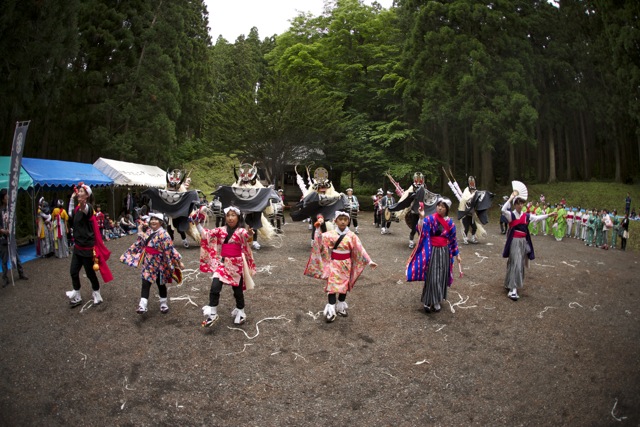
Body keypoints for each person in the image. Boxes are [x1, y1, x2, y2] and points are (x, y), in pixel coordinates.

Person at [304, 210, 377, 322]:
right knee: (332, 286)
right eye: (340, 219)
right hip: (334, 263)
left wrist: (369, 261)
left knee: (344, 286)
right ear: (336, 221)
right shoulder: (330, 234)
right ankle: (331, 310)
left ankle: (341, 307)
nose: (343, 222)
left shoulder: (352, 236)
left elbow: (360, 249)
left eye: (345, 220)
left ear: (348, 221)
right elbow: (319, 240)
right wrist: (318, 228)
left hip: (346, 264)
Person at [194, 206, 256, 327]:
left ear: (238, 217)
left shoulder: (241, 231)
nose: (230, 218)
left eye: (233, 215)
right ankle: (212, 314)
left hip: (237, 265)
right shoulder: (220, 230)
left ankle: (241, 311)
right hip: (223, 263)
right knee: (215, 286)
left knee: (237, 291)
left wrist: (249, 233)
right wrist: (197, 224)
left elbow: (247, 237)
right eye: (228, 215)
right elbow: (206, 234)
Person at [120, 212, 184, 315]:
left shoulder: (164, 234)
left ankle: (163, 303)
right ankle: (142, 305)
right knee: (145, 282)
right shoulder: (149, 231)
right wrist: (140, 230)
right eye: (152, 219)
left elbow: (170, 249)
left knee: (161, 284)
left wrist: (178, 262)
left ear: (161, 222)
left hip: (160, 263)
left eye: (156, 219)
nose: (153, 221)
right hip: (148, 262)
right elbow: (142, 242)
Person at [406, 197, 461, 313]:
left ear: (447, 209)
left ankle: (436, 300)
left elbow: (453, 239)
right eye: (439, 205)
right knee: (432, 276)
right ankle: (427, 301)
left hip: (445, 252)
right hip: (433, 251)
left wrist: (457, 254)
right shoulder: (430, 219)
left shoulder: (450, 223)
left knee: (441, 276)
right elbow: (421, 230)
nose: (440, 208)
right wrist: (421, 217)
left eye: (443, 206)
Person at [501, 191, 556, 301]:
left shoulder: (526, 216)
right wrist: (511, 198)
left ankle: (510, 284)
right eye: (519, 203)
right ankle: (513, 289)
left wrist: (548, 215)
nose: (521, 205)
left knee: (518, 263)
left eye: (522, 203)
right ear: (515, 204)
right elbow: (503, 210)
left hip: (522, 242)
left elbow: (537, 218)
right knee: (514, 262)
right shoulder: (511, 215)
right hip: (514, 241)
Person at [65, 183, 113, 307]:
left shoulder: (89, 208)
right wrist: (71, 199)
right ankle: (77, 295)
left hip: (87, 248)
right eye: (79, 190)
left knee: (90, 273)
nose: (79, 192)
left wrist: (81, 202)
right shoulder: (76, 209)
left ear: (87, 195)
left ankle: (96, 293)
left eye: (81, 191)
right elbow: (70, 214)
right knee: (73, 272)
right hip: (78, 247)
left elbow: (84, 208)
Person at [0, 188, 28, 287]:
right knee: (4, 260)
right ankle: (5, 278)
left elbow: (14, 220)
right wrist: (3, 231)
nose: (8, 197)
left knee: (16, 255)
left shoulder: (10, 209)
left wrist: (11, 228)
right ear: (2, 198)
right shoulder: (0, 210)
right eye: (6, 196)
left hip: (11, 237)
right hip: (3, 239)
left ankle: (21, 273)